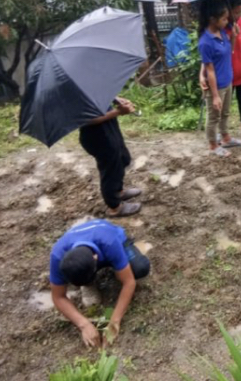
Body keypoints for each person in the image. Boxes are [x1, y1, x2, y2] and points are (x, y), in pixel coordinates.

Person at [49, 219, 150, 348]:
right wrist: (84, 324)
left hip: (111, 239)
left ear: (95, 258)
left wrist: (114, 321)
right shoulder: (57, 257)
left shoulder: (109, 241)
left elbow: (129, 283)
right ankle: (88, 281)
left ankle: (119, 264)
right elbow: (58, 296)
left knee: (140, 267)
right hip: (86, 249)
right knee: (78, 273)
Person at [200, 0, 241, 140]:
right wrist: (201, 74)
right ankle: (218, 133)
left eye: (240, 12)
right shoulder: (220, 29)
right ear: (227, 11)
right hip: (226, 76)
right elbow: (208, 56)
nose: (238, 15)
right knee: (220, 107)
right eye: (235, 12)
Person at [79, 97, 141, 217]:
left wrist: (115, 99)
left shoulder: (84, 82)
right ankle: (115, 207)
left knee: (121, 159)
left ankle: (118, 191)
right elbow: (86, 120)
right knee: (110, 170)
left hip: (108, 127)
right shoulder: (70, 95)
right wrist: (118, 112)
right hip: (96, 136)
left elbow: (99, 93)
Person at [198, 1, 241, 157]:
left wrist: (234, 37)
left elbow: (228, 51)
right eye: (223, 19)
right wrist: (215, 95)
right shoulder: (205, 42)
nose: (226, 22)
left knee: (225, 113)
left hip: (227, 81)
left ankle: (225, 138)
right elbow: (209, 70)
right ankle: (212, 145)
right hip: (216, 86)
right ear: (212, 19)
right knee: (213, 116)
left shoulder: (222, 33)